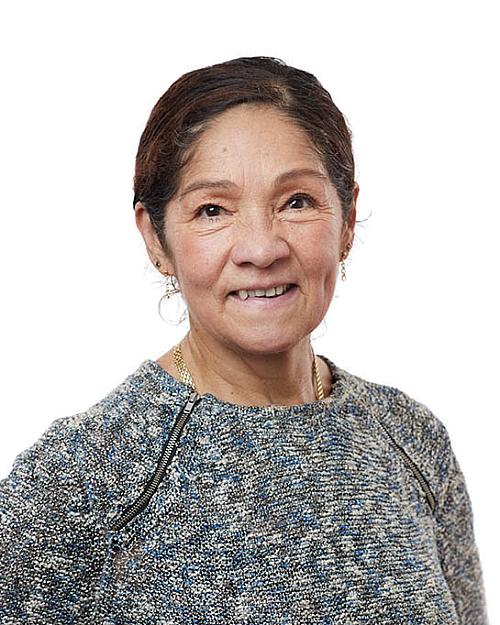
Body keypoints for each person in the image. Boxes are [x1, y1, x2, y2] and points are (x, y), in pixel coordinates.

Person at [0, 57, 489, 624]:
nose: (261, 248)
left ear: (348, 218)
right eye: (213, 210)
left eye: (296, 202)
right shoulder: (85, 474)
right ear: (156, 239)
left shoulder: (413, 438)